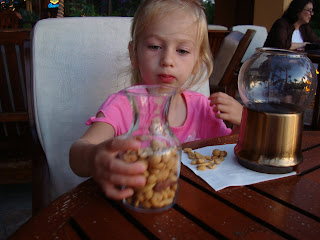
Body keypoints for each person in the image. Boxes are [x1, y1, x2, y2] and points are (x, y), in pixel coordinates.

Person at [69, 0, 243, 201]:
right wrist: (93, 158)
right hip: (134, 204)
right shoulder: (123, 106)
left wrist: (242, 122)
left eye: (182, 51)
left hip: (195, 205)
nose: (167, 60)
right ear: (134, 54)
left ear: (197, 63)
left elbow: (226, 153)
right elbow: (77, 153)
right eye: (155, 46)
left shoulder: (203, 108)